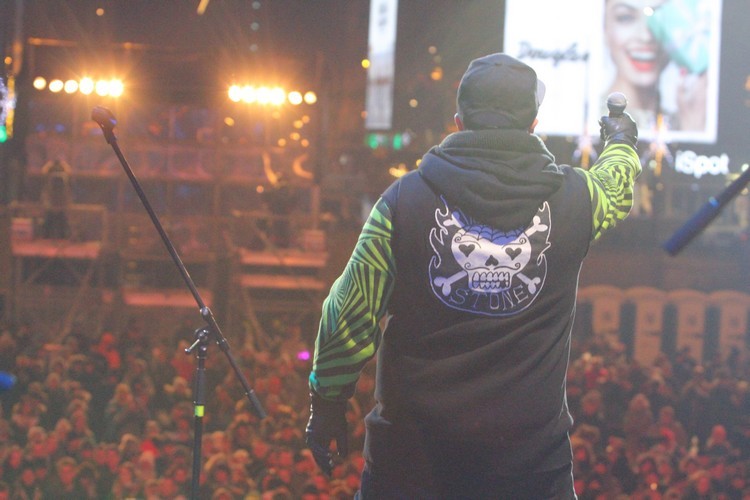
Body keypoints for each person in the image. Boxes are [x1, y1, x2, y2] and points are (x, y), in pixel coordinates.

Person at [305, 52, 641, 498]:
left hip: (410, 469)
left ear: (458, 122)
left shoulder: (402, 203)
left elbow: (347, 312)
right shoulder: (577, 200)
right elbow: (616, 187)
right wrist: (621, 142)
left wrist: (328, 401)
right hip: (529, 475)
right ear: (533, 124)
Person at [603, 0, 709, 133]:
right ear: (604, 29)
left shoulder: (691, 121)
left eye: (661, 18)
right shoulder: (587, 119)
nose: (645, 36)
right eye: (626, 17)